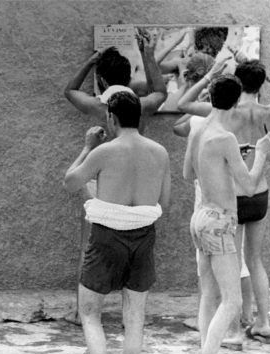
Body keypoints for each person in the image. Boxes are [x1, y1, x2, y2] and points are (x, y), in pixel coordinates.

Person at [62, 29, 167, 326]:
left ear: (102, 80)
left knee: (93, 244)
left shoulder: (98, 106)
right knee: (134, 245)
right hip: (137, 182)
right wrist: (148, 55)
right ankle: (129, 314)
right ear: (129, 75)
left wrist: (90, 61)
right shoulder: (140, 105)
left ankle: (82, 312)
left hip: (101, 175)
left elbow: (69, 91)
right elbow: (161, 91)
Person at [179, 59, 270, 345]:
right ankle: (261, 322)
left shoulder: (207, 122)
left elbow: (184, 109)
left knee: (217, 285)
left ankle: (229, 334)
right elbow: (252, 183)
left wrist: (207, 78)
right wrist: (263, 150)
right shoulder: (268, 113)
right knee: (250, 267)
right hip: (252, 198)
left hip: (215, 208)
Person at [64, 90, 171, 354]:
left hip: (105, 237)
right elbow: (164, 203)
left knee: (89, 312)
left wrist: (88, 146)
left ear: (111, 118)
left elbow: (70, 182)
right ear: (139, 117)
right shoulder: (160, 152)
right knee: (135, 315)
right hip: (144, 236)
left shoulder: (104, 151)